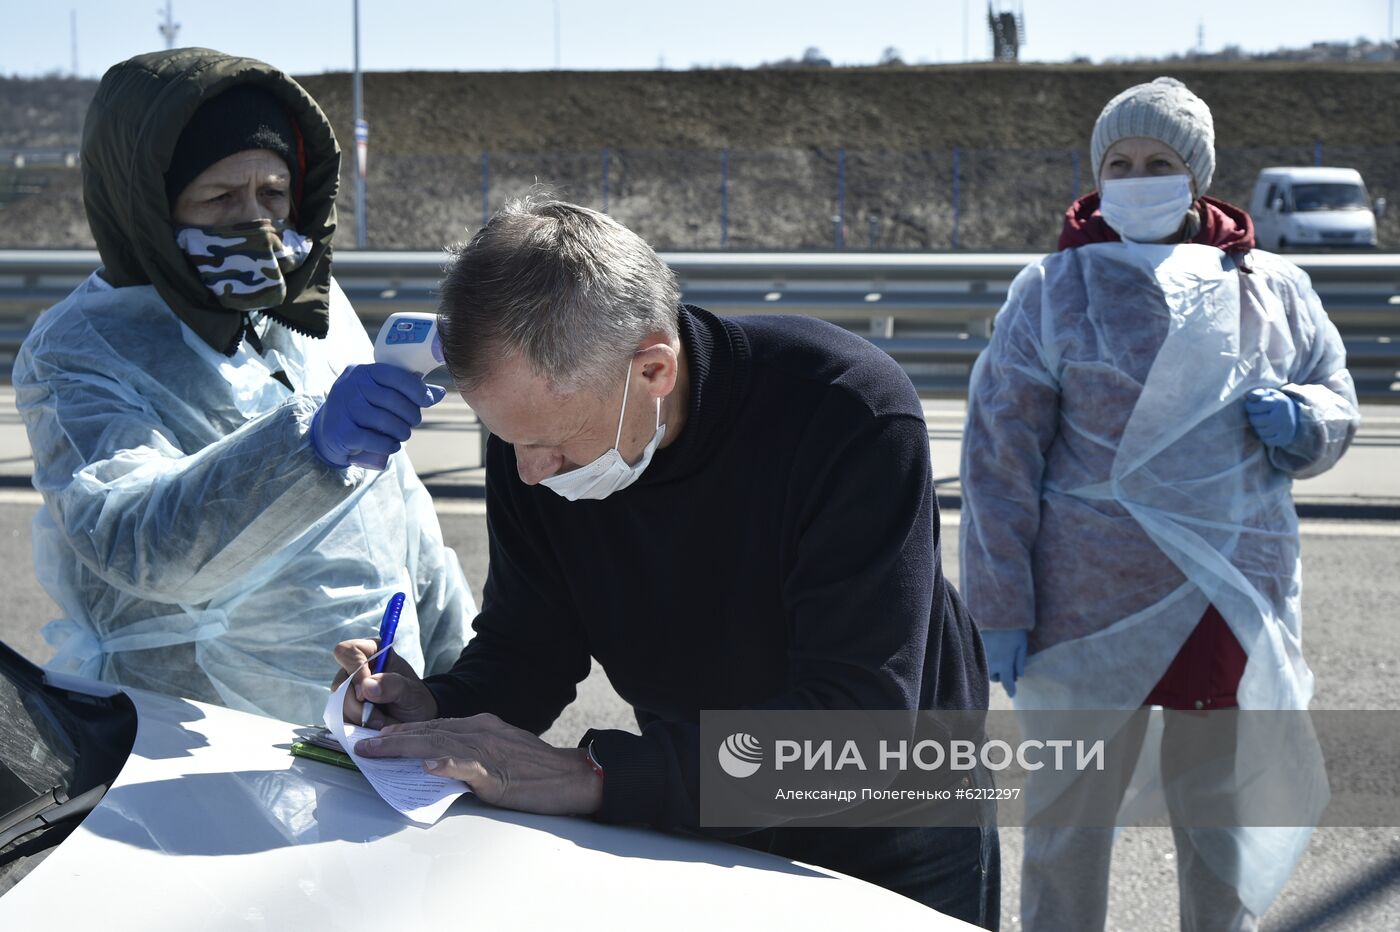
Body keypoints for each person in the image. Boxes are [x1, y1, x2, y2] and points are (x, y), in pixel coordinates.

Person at [331, 197, 999, 927]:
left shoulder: (847, 413)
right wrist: (437, 705)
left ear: (653, 369)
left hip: (895, 824)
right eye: (506, 438)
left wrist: (592, 775)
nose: (528, 473)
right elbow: (530, 649)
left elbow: (855, 733)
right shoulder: (538, 438)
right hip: (699, 800)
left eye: (550, 443)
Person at [960, 77, 1359, 930]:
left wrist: (1306, 422)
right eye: (1120, 162)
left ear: (1198, 174)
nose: (1138, 177)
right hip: (1086, 608)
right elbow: (999, 461)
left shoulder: (1271, 288)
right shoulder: (1053, 291)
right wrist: (1001, 604)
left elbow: (1336, 397)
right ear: (1096, 172)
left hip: (1223, 598)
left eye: (1160, 162)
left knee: (1219, 823)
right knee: (1069, 827)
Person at [12, 48, 475, 724]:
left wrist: (460, 672)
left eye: (274, 194)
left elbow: (398, 517)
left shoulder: (309, 307)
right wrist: (305, 446)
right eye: (221, 198)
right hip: (205, 730)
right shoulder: (82, 349)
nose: (256, 224)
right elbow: (134, 540)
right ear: (148, 207)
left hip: (381, 712)